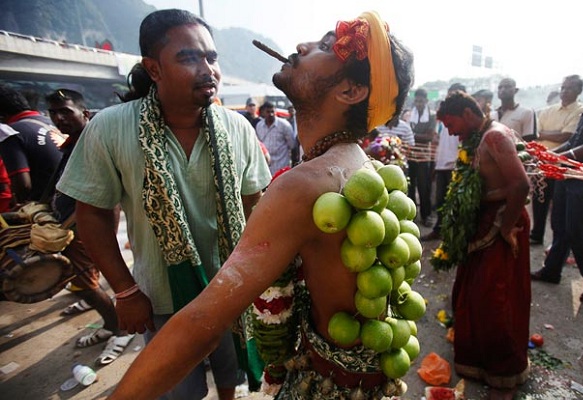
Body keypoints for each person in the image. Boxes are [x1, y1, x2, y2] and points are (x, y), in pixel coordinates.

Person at [101, 10, 414, 399]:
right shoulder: (356, 165)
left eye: (325, 47)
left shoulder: (303, 186)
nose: (302, 47)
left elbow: (203, 323)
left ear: (350, 92)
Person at [56, 9, 271, 400]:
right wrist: (124, 290)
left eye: (211, 57)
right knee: (179, 391)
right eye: (189, 58)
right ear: (153, 69)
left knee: (231, 373)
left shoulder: (237, 128)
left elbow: (254, 203)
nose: (208, 69)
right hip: (161, 299)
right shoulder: (110, 127)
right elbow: (93, 216)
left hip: (230, 290)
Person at [436, 91, 531, 399]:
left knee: (494, 299)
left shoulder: (494, 137)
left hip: (503, 223)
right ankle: (477, 360)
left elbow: (520, 185)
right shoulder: (477, 138)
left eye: (452, 125)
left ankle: (504, 375)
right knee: (471, 293)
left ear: (467, 113)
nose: (451, 132)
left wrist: (505, 228)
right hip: (484, 222)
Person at [45, 88, 134, 364]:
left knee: (86, 285)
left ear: (84, 113)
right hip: (70, 229)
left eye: (66, 112)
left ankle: (119, 328)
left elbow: (107, 201)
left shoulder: (95, 139)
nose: (59, 118)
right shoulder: (73, 142)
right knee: (84, 283)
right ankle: (113, 326)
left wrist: (100, 238)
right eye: (54, 114)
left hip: (81, 231)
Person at [531, 99, 583, 303]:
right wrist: (549, 155)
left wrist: (564, 157)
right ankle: (552, 270)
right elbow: (576, 140)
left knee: (577, 230)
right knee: (560, 225)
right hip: (567, 173)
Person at [530, 75, 583, 245]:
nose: (564, 91)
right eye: (563, 87)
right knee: (539, 199)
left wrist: (547, 134)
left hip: (561, 166)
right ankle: (537, 234)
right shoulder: (549, 111)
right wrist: (552, 134)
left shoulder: (581, 111)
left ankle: (558, 245)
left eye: (569, 88)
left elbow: (567, 136)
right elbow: (537, 133)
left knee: (559, 209)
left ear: (579, 91)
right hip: (541, 163)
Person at [0, 85, 64, 204]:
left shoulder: (10, 132)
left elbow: (23, 186)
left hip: (46, 208)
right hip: (68, 202)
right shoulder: (49, 122)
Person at [422, 83, 465, 242]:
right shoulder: (443, 119)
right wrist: (435, 165)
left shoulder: (464, 120)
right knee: (440, 200)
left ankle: (453, 235)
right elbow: (439, 143)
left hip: (456, 165)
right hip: (441, 165)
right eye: (450, 94)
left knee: (455, 202)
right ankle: (439, 230)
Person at [408, 87, 437, 226]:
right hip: (409, 155)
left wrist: (412, 136)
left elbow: (429, 137)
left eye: (421, 101)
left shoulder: (432, 115)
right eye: (417, 101)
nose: (419, 103)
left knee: (423, 187)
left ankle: (426, 216)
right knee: (410, 186)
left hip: (424, 157)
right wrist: (418, 137)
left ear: (426, 101)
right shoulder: (409, 114)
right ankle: (411, 215)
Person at [255, 101, 295, 175]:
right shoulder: (259, 126)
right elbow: (259, 145)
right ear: (263, 113)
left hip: (281, 166)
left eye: (272, 111)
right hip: (266, 167)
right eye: (268, 112)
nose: (271, 114)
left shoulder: (284, 125)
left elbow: (292, 145)